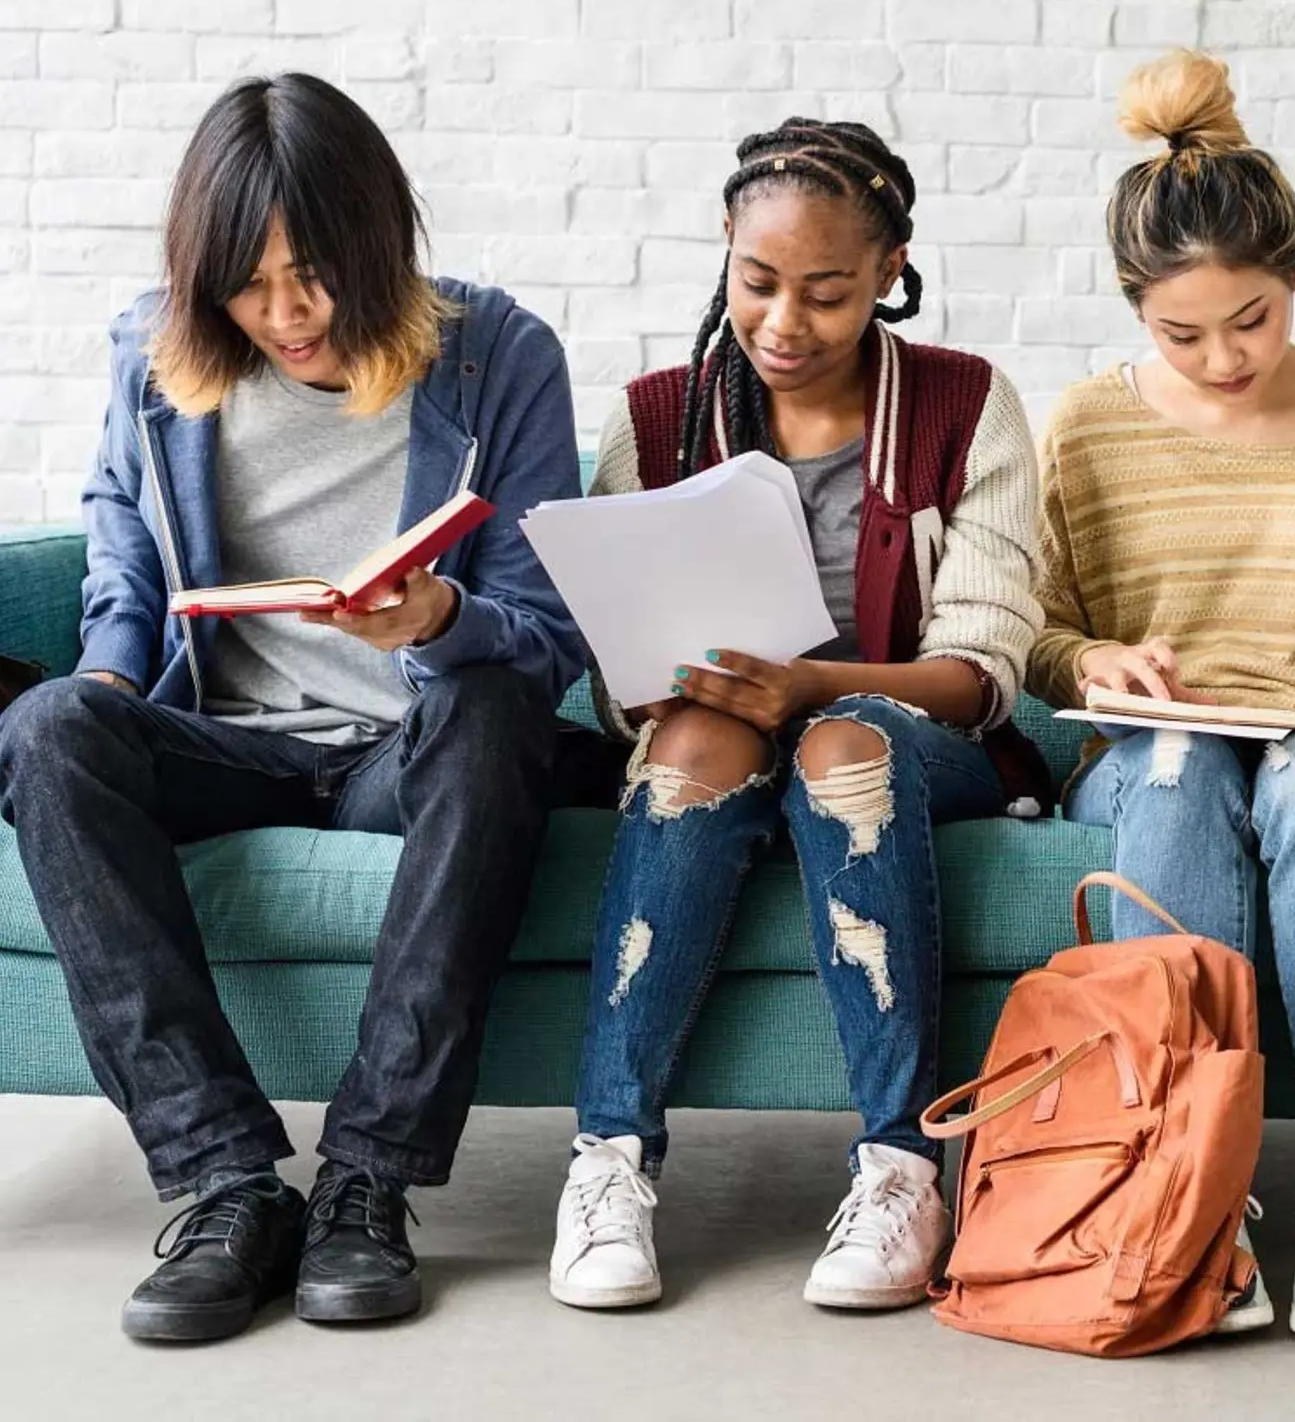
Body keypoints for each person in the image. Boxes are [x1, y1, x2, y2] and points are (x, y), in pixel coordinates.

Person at [0, 73, 586, 1341]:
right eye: (249, 284)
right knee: (49, 729)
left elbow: (543, 641)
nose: (287, 313)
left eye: (314, 272)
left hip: (403, 745)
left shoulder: (499, 356)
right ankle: (223, 1178)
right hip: (224, 734)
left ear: (379, 243)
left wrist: (440, 620)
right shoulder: (154, 354)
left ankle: (367, 1177)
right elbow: (121, 549)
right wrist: (109, 669)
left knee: (491, 709)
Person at [547, 116, 1045, 1313]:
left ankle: (898, 1167)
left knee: (840, 746)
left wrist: (813, 683)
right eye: (758, 282)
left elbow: (984, 672)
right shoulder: (657, 415)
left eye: (826, 293)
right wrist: (660, 684)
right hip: (716, 728)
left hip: (914, 742)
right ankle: (608, 1160)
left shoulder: (962, 405)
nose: (783, 323)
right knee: (696, 747)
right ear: (724, 245)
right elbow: (620, 679)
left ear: (890, 273)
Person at [1028, 50, 1295, 1343]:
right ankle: (1188, 1193)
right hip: (1160, 742)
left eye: (1254, 319)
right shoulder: (1087, 427)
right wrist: (1092, 664)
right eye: (1183, 333)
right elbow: (1040, 635)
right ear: (1133, 310)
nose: (1224, 357)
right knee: (1173, 766)